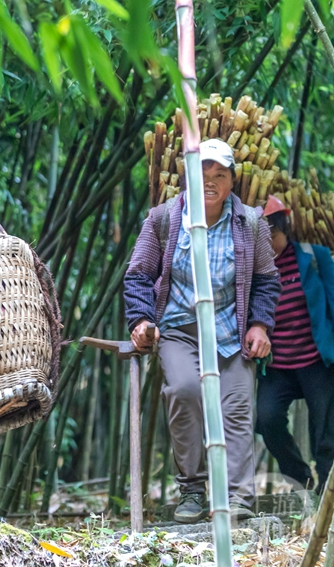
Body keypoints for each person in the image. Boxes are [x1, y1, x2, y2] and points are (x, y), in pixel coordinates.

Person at [124, 138, 281, 523]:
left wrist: (260, 325)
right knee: (184, 391)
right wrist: (142, 320)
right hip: (179, 328)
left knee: (237, 407)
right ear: (187, 177)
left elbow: (267, 279)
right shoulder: (164, 217)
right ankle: (192, 490)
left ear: (232, 181)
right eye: (202, 173)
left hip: (231, 331)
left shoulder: (249, 221)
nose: (210, 181)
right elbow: (139, 274)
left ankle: (237, 498)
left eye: (219, 174)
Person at [257, 195, 334, 493]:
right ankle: (299, 476)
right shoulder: (254, 268)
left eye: (272, 236)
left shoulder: (315, 256)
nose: (268, 243)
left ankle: (327, 490)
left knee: (325, 431)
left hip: (316, 360)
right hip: (278, 365)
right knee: (267, 419)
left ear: (284, 230)